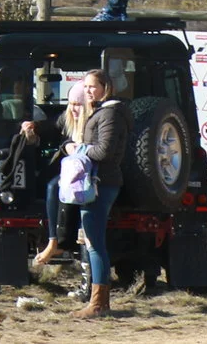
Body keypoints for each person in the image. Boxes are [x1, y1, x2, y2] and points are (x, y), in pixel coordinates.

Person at [26, 78, 96, 271]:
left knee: (55, 187)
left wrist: (78, 148)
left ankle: (56, 242)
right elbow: (52, 126)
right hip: (72, 171)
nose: (73, 109)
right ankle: (53, 240)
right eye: (71, 104)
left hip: (91, 173)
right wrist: (33, 126)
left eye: (78, 105)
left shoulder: (95, 121)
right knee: (49, 185)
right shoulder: (68, 118)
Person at [74, 70, 127, 320]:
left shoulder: (110, 114)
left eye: (92, 87)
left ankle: (99, 303)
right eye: (85, 87)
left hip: (101, 183)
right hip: (96, 182)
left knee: (95, 244)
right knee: (94, 242)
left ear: (106, 87)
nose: (88, 91)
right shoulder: (103, 111)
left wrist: (79, 149)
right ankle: (99, 301)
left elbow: (104, 151)